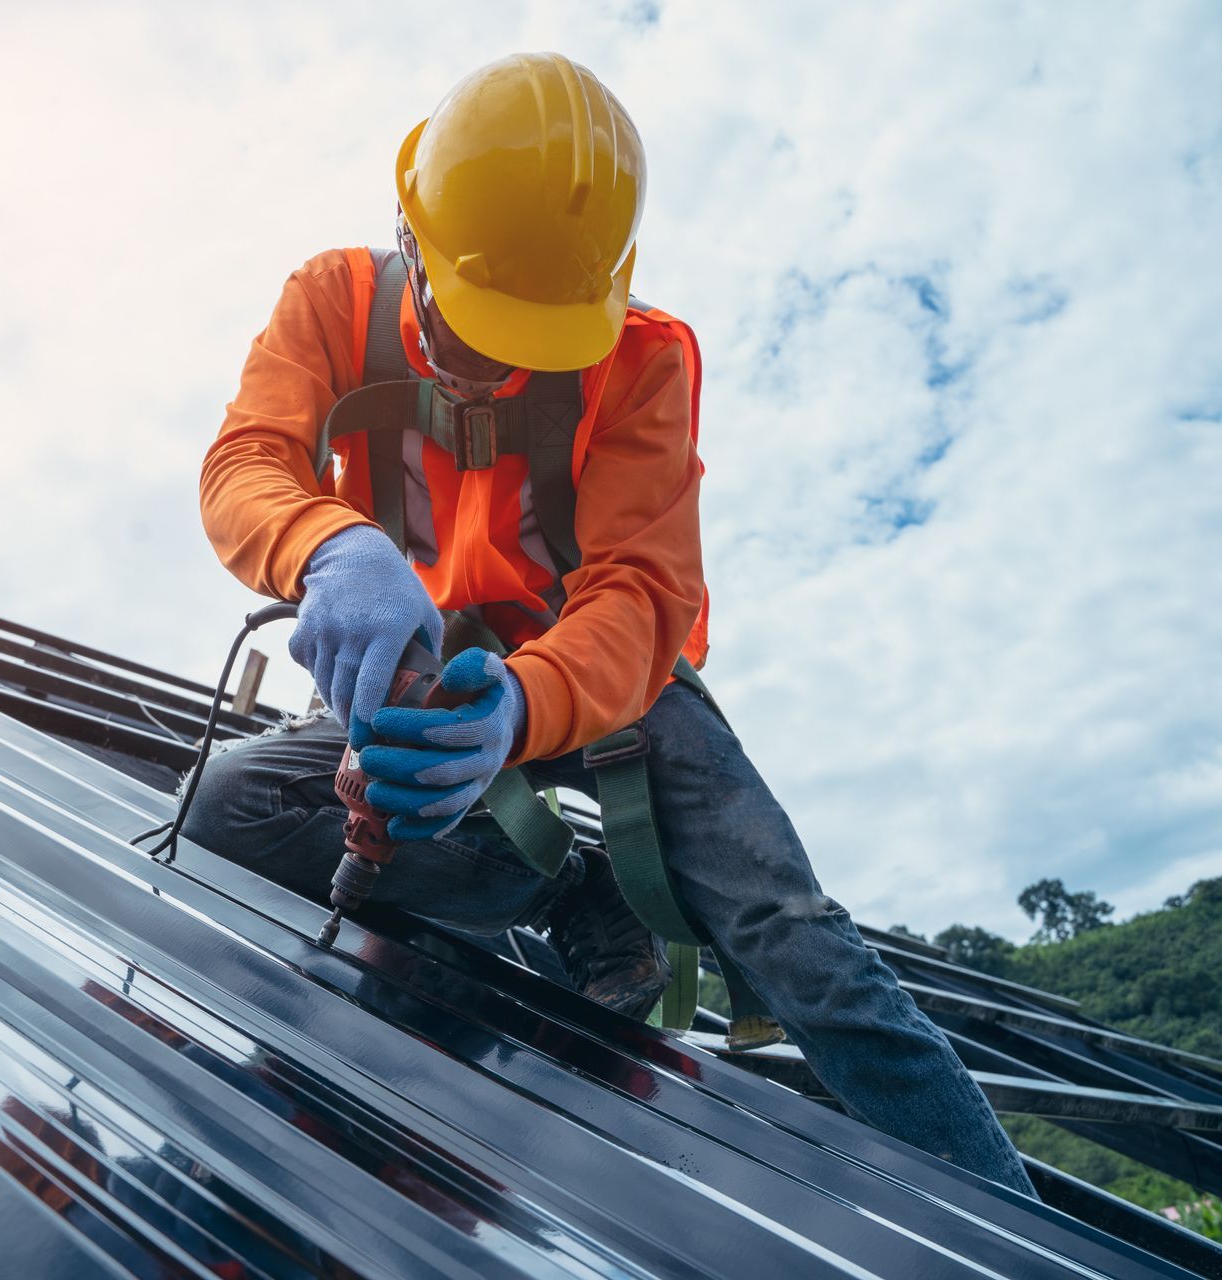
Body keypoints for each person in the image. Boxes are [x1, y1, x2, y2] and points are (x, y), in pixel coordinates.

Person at [182, 52, 1036, 1197]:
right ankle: (565, 897)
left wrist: (525, 707)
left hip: (607, 676)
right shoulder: (333, 302)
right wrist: (326, 545)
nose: (496, 368)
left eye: (529, 341)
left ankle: (1005, 1215)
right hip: (438, 657)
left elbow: (642, 591)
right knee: (238, 802)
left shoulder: (641, 359)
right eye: (476, 329)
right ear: (413, 235)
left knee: (792, 938)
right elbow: (247, 462)